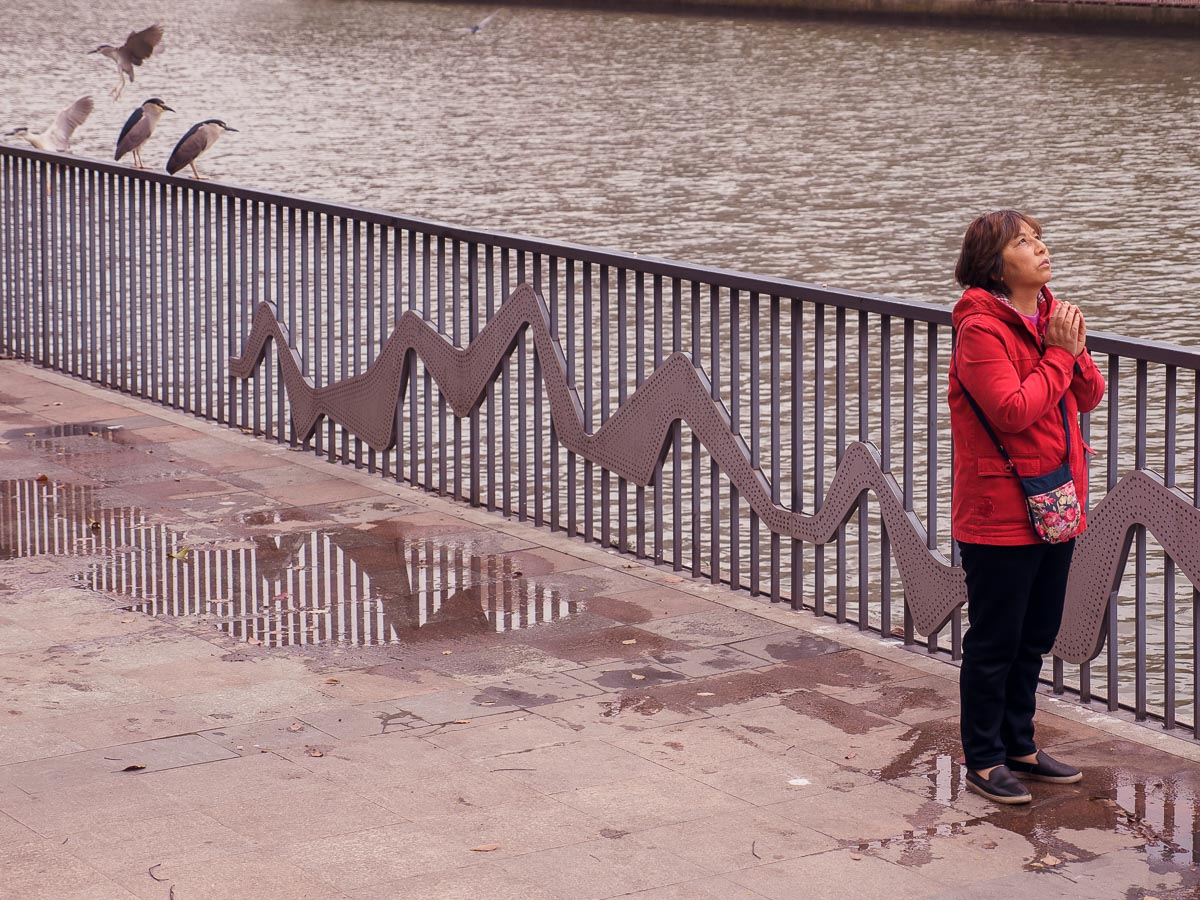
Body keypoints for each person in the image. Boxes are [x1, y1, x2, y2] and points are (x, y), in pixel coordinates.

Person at [948, 210, 1106, 804]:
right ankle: (984, 758)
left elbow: (1088, 394)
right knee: (996, 639)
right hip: (998, 510)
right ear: (996, 263)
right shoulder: (980, 331)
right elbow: (1013, 409)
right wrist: (1060, 355)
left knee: (1036, 632)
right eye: (1023, 241)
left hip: (1056, 500)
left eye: (1038, 238)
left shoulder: (1048, 315)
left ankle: (1020, 743)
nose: (1039, 248)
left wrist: (1072, 347)